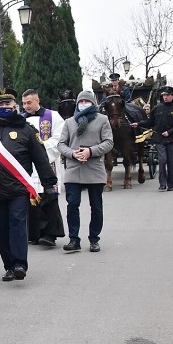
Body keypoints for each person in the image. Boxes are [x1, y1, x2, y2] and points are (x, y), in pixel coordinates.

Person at [0, 88, 56, 282]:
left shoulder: (27, 130)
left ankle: (19, 264)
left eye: (8, 103)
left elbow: (40, 159)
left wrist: (49, 183)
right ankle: (8, 266)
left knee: (17, 225)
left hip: (18, 189)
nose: (4, 107)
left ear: (14, 105)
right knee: (0, 229)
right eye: (1, 104)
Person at [56, 92, 114, 253]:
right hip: (74, 168)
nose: (83, 103)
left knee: (96, 206)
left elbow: (109, 142)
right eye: (80, 101)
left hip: (94, 168)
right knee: (72, 204)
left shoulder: (102, 120)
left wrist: (90, 151)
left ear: (93, 103)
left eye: (86, 101)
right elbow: (61, 144)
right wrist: (73, 153)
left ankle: (94, 239)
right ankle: (74, 239)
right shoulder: (69, 122)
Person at [20, 89, 66, 247]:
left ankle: (50, 234)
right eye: (24, 103)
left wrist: (38, 150)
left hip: (47, 163)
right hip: (27, 165)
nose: (26, 106)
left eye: (29, 102)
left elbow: (59, 139)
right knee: (31, 200)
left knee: (49, 198)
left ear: (37, 100)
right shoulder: (20, 119)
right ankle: (34, 233)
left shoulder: (53, 116)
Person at [132, 86, 173, 191]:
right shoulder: (157, 108)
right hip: (159, 139)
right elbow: (150, 122)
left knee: (171, 162)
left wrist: (169, 132)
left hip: (172, 139)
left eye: (168, 95)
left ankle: (170, 184)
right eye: (164, 95)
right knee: (162, 160)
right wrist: (138, 124)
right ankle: (162, 184)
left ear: (172, 96)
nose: (165, 97)